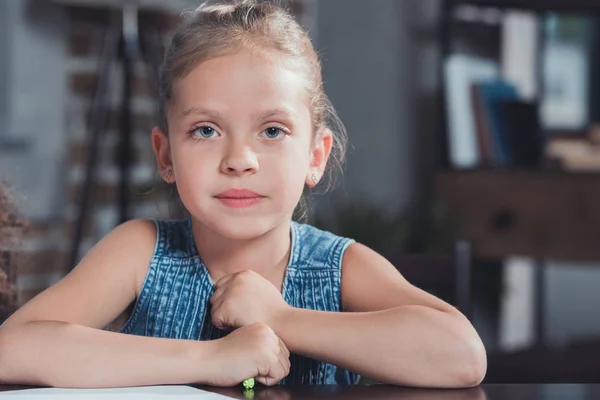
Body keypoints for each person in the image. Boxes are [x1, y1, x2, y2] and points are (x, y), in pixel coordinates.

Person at [0, 0, 486, 389]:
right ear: (165, 156)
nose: (239, 159)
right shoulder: (140, 252)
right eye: (206, 130)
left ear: (315, 156)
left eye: (272, 131)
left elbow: (461, 355)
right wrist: (212, 358)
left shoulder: (339, 268)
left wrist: (282, 318)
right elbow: (11, 350)